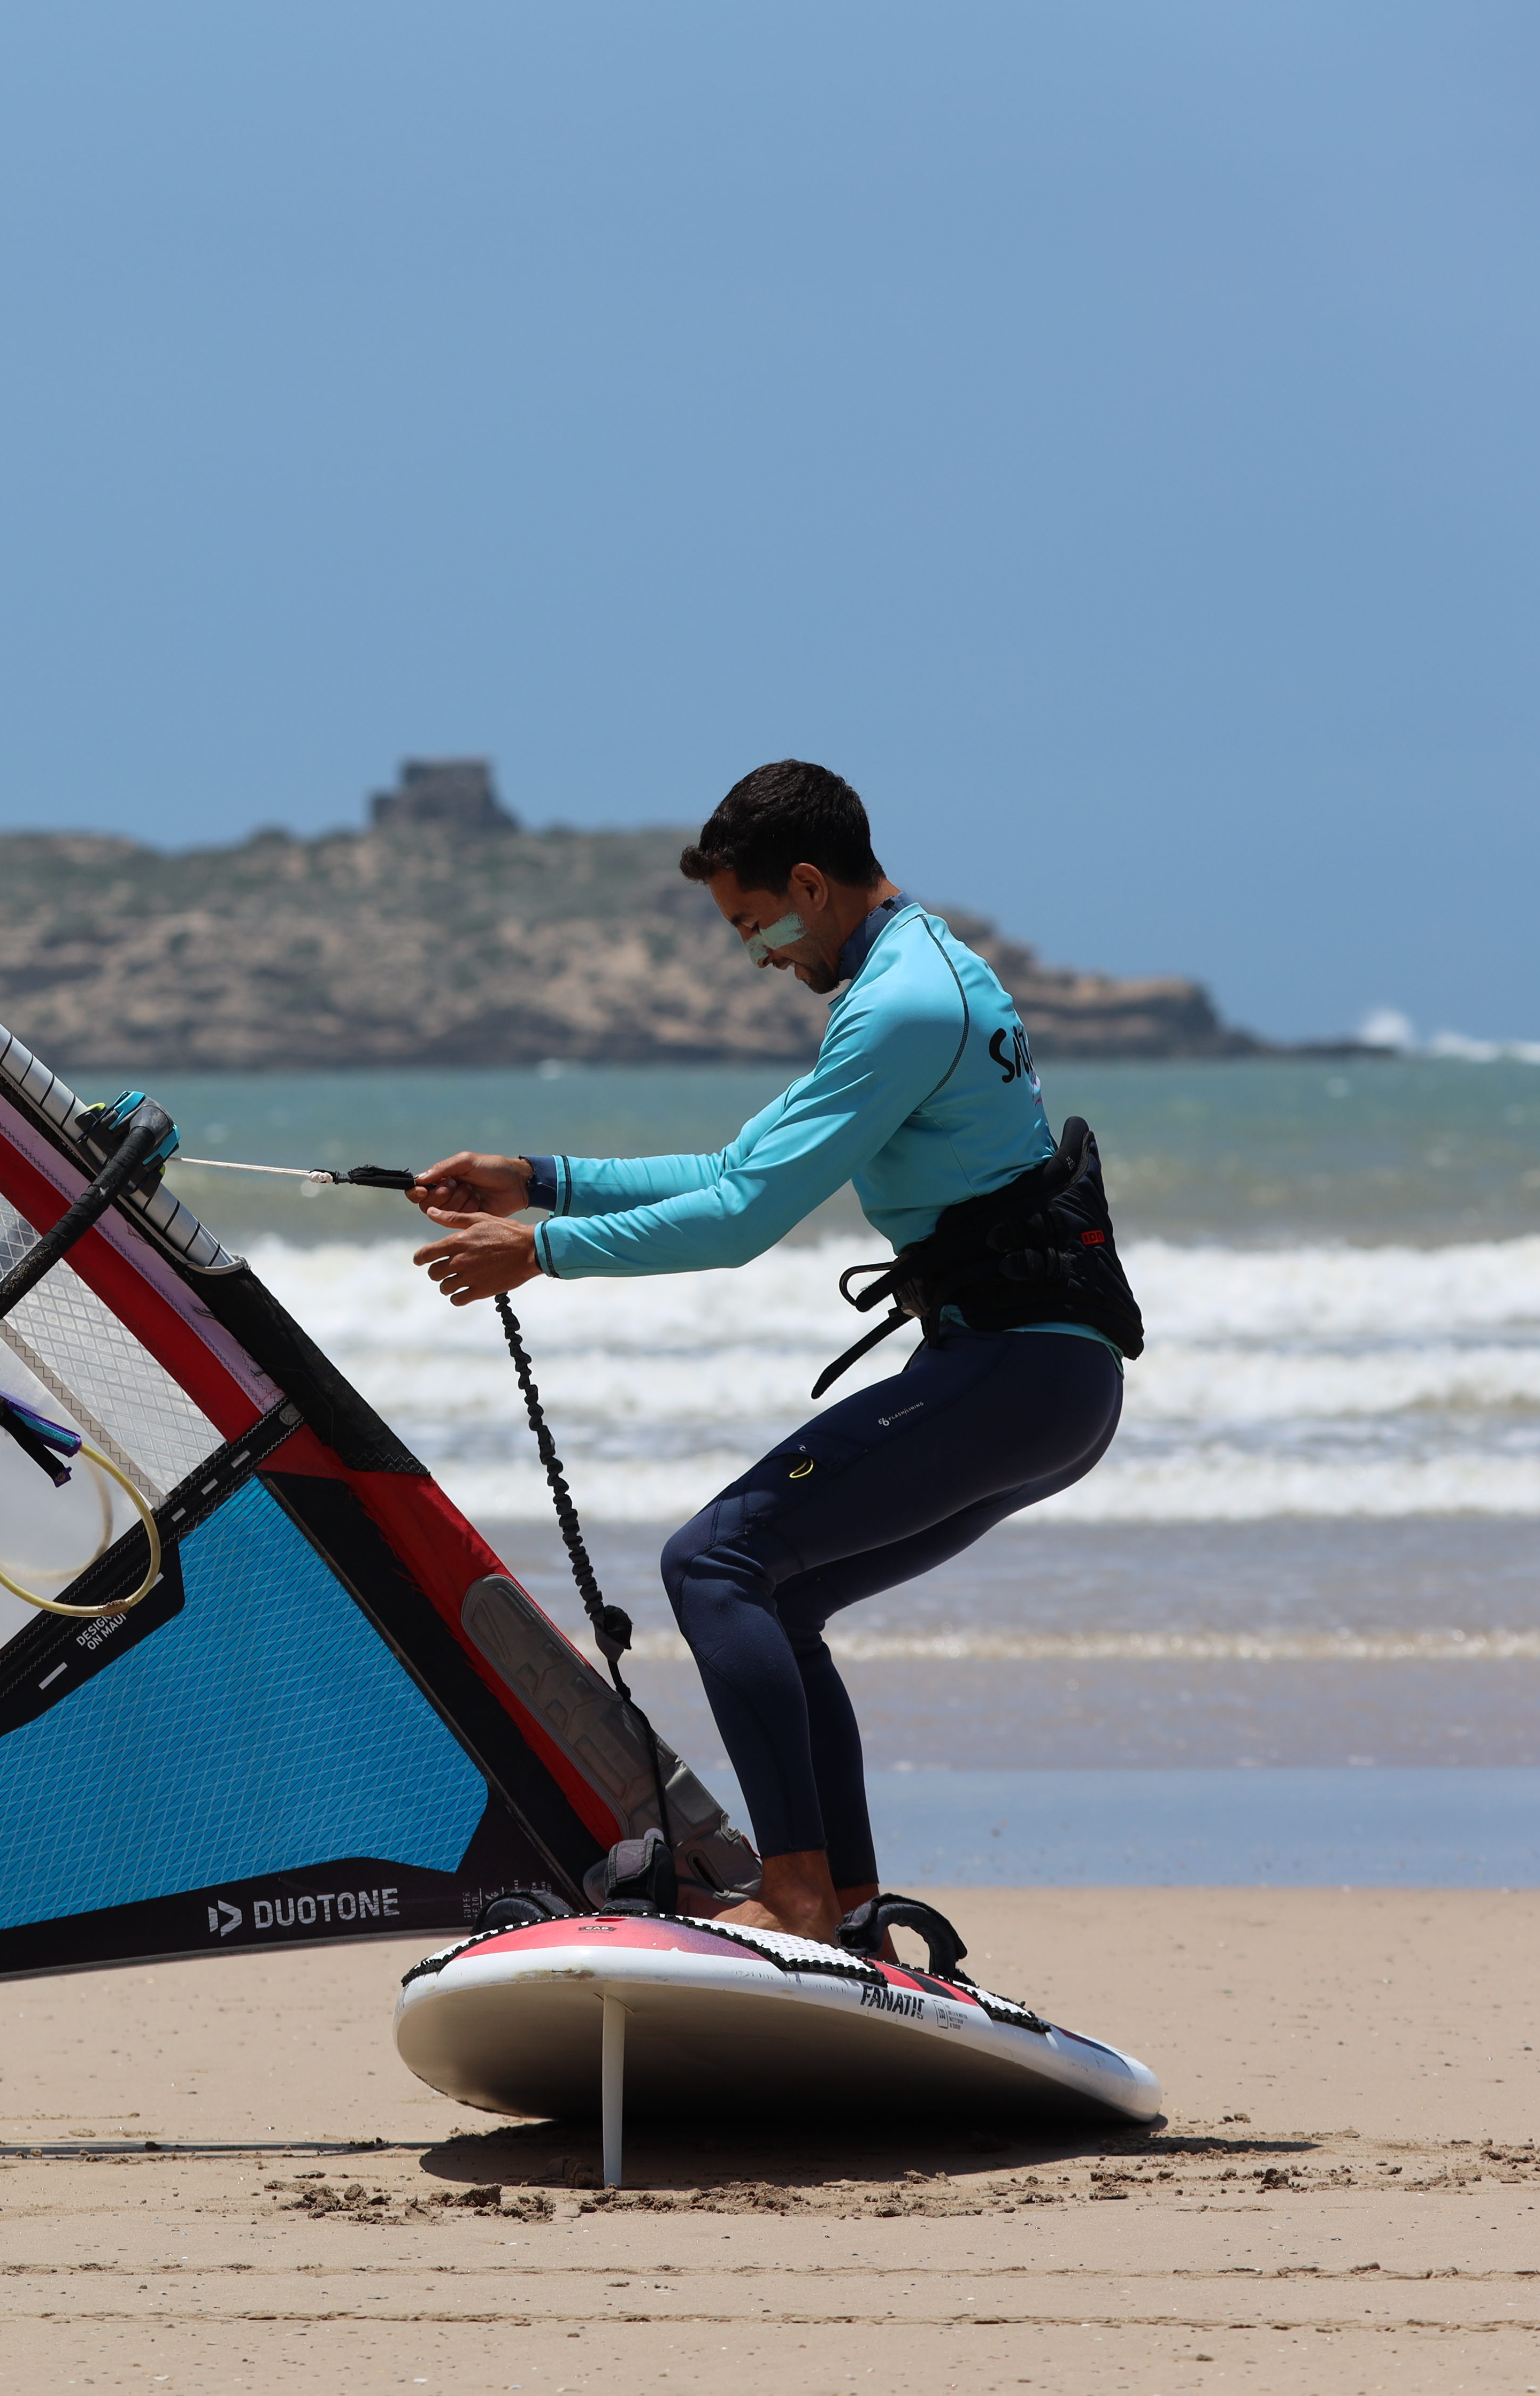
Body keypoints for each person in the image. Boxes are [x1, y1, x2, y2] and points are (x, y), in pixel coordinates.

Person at [406, 760, 1140, 1952]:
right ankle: (840, 1903)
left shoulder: (904, 1005)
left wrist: (544, 1251)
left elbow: (745, 1220)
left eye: (757, 924)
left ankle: (794, 1891)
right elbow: (739, 1167)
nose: (759, 954)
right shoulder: (917, 972)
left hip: (1019, 1372)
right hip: (1039, 1378)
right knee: (775, 1592)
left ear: (811, 882)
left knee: (714, 1562)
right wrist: (541, 1180)